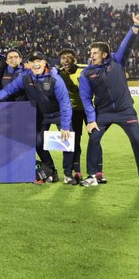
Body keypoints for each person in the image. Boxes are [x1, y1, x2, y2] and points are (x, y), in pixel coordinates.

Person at [0, 51, 72, 184]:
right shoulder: (25, 77)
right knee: (37, 143)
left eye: (39, 61)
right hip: (41, 115)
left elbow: (65, 103)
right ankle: (51, 171)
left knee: (67, 142)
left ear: (44, 63)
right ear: (29, 64)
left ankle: (68, 174)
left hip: (59, 114)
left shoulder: (55, 79)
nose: (36, 64)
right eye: (33, 61)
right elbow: (10, 88)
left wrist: (65, 126)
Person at [79, 13, 139, 187]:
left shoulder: (117, 60)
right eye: (91, 53)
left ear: (105, 54)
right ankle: (92, 176)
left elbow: (126, 45)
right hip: (103, 114)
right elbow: (85, 98)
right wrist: (91, 120)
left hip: (125, 111)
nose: (91, 56)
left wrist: (135, 27)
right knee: (93, 139)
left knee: (137, 141)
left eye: (95, 53)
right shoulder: (87, 73)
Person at [57, 48, 87, 185]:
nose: (66, 60)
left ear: (75, 58)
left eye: (69, 57)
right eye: (63, 58)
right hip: (73, 112)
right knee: (75, 141)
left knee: (95, 139)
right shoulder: (58, 73)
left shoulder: (84, 70)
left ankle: (98, 172)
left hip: (87, 109)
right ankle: (77, 170)